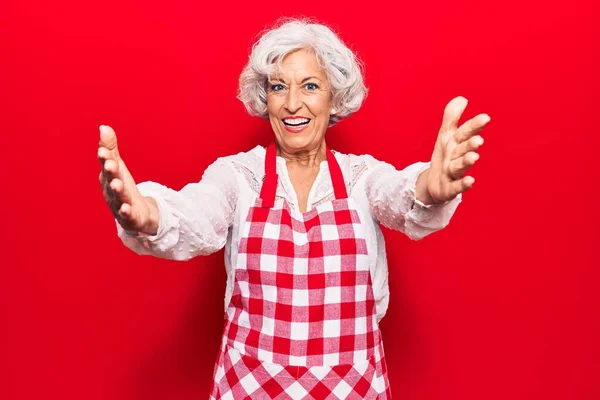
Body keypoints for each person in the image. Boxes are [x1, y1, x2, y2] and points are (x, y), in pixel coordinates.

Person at [97, 18, 490, 400]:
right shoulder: (238, 177)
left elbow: (401, 198)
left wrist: (431, 189)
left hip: (351, 388)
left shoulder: (362, 179)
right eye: (279, 86)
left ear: (334, 96)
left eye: (311, 85)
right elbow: (197, 215)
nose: (292, 103)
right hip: (249, 386)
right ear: (264, 96)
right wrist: (147, 213)